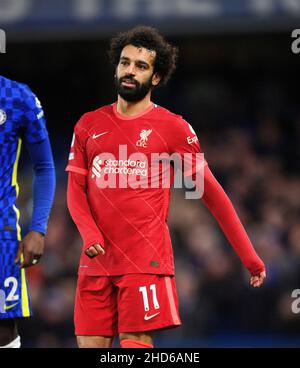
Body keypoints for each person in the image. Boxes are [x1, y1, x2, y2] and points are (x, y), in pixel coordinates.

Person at [66, 26, 266, 349]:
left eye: (141, 66)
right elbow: (75, 190)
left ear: (156, 78)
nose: (130, 70)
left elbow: (213, 196)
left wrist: (250, 257)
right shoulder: (88, 124)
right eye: (125, 62)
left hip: (144, 262)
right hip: (96, 263)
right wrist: (89, 233)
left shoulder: (173, 128)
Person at [0, 75, 56, 348]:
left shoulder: (16, 97)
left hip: (2, 234)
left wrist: (38, 228)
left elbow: (44, 167)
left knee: (3, 333)